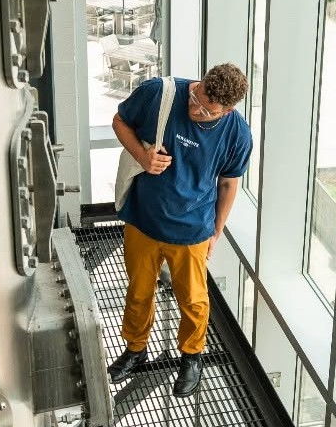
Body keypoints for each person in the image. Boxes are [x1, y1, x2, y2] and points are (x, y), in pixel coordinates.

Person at [107, 64, 252, 398]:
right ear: (199, 83)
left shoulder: (237, 134)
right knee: (139, 291)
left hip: (192, 230)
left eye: (206, 111)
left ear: (227, 111)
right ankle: (135, 348)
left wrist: (215, 232)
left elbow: (229, 184)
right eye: (196, 98)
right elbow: (120, 121)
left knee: (193, 300)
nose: (195, 110)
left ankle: (192, 355)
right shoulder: (161, 93)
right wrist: (142, 155)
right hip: (143, 219)